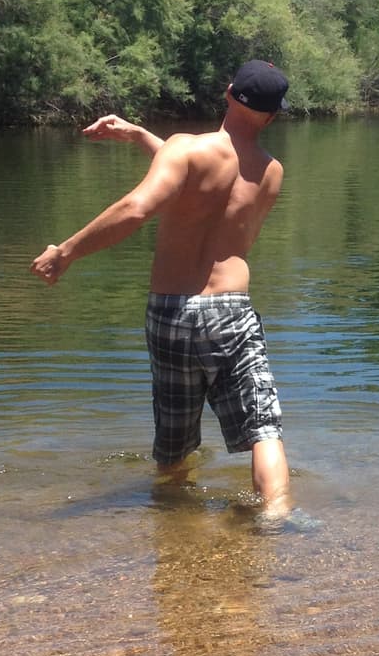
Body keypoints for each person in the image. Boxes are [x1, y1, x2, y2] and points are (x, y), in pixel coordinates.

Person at [31, 60, 293, 519]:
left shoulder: (185, 149)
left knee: (173, 437)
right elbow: (213, 182)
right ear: (272, 116)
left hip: (170, 313)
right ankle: (275, 516)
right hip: (230, 311)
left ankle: (176, 522)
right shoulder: (271, 172)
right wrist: (141, 137)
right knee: (262, 428)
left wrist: (67, 251)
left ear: (228, 93)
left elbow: (142, 204)